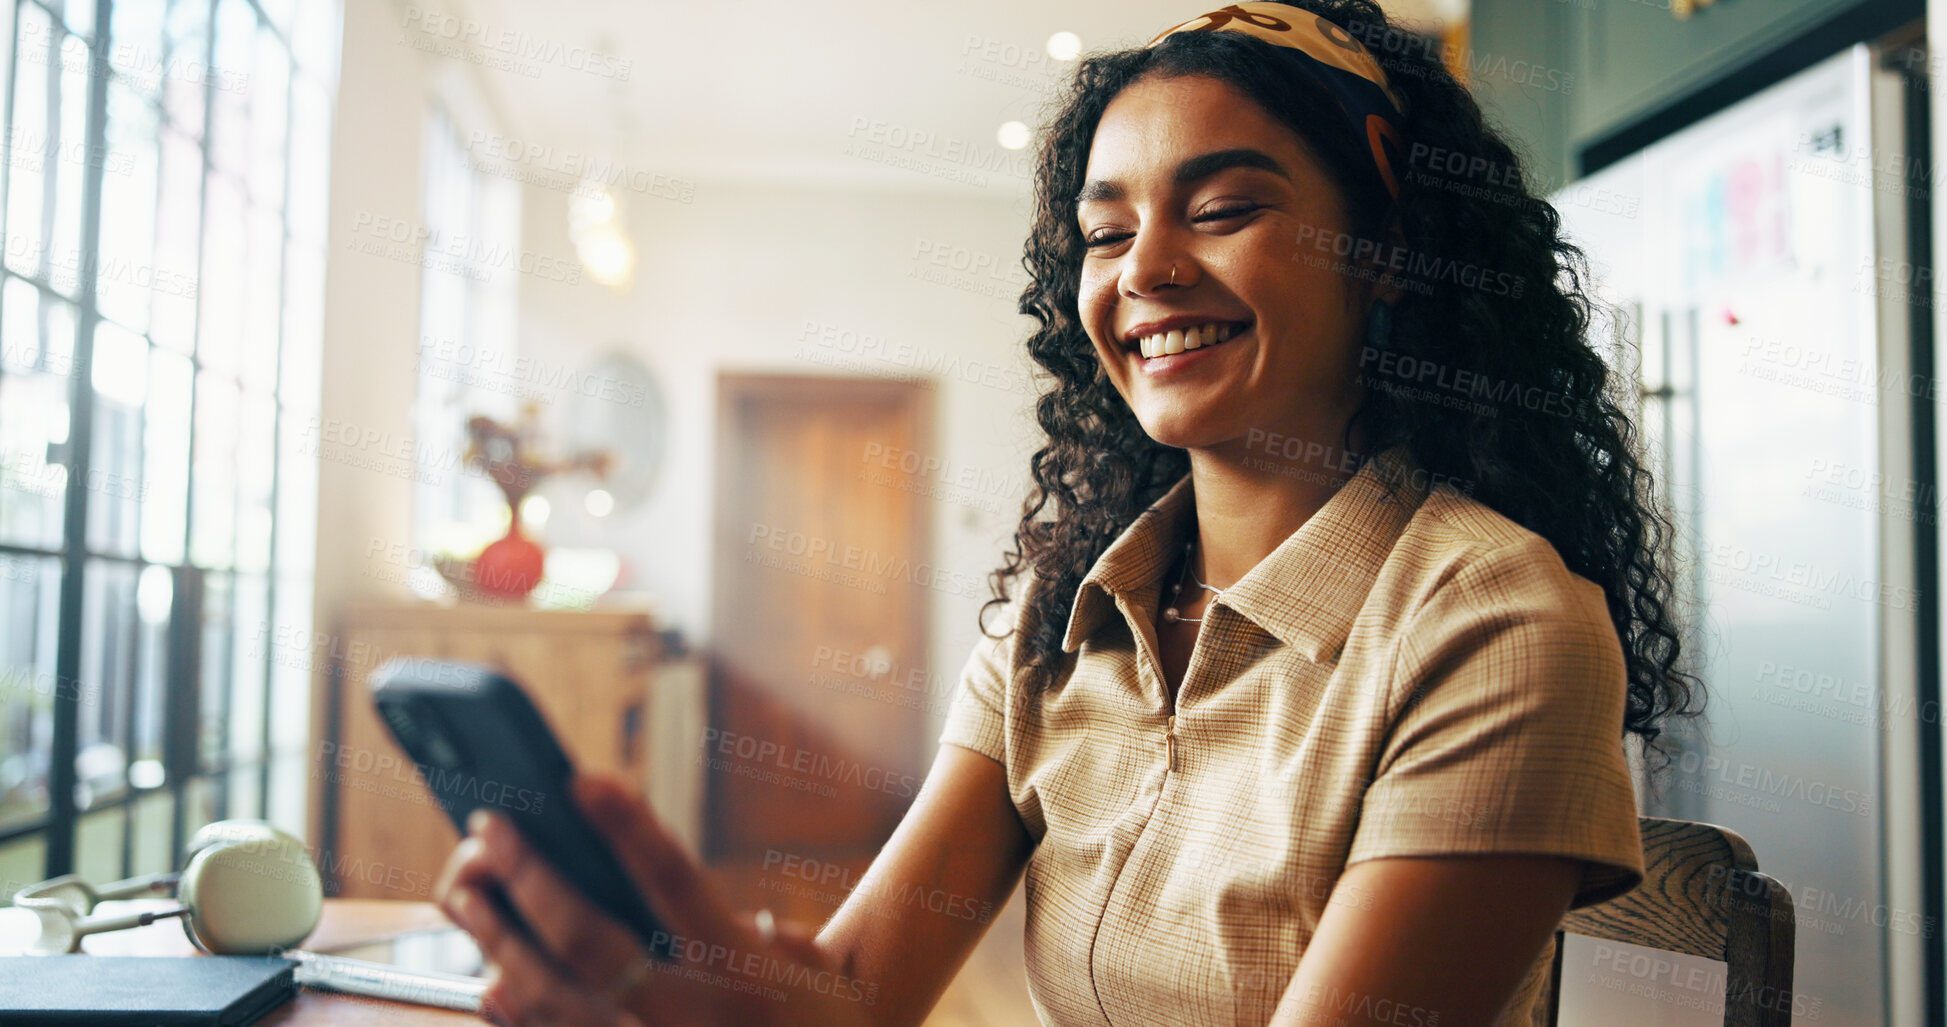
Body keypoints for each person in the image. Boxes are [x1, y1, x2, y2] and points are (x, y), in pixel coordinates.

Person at [432, 2, 1703, 1024]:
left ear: (1384, 253)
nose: (1146, 270)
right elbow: (861, 990)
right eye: (1107, 232)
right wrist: (717, 993)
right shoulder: (1059, 616)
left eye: (1224, 209)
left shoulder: (1495, 621)